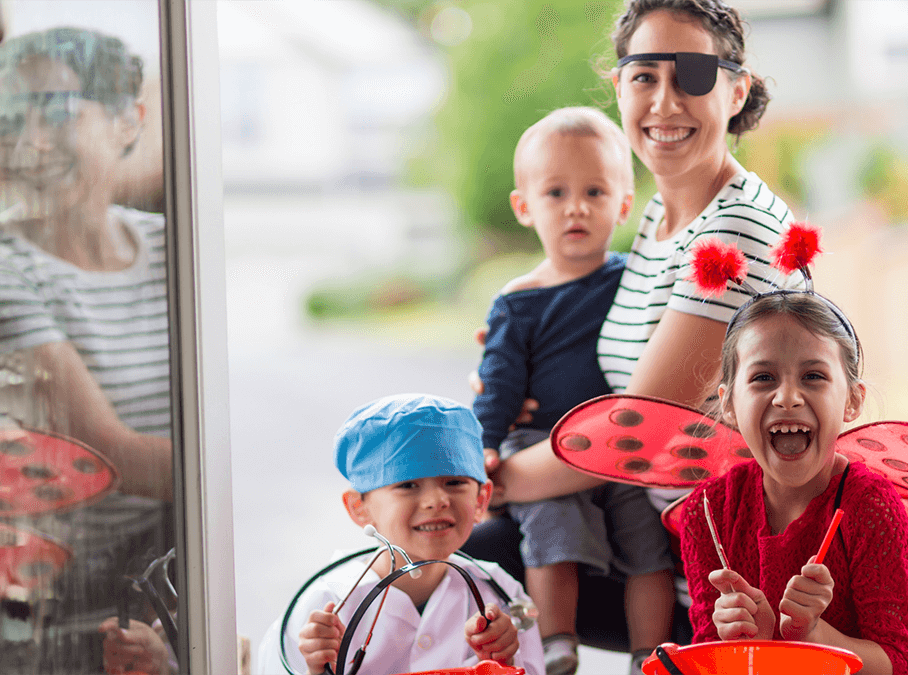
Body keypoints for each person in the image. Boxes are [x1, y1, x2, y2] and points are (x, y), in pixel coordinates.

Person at [465, 0, 801, 651]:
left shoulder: (733, 230)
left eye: (694, 75)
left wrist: (485, 482)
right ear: (619, 88)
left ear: (736, 90)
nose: (665, 101)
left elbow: (637, 431)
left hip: (717, 576)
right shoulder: (661, 216)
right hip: (644, 531)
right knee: (444, 565)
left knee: (456, 554)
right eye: (645, 76)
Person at [0, 27, 172, 673]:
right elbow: (109, 455)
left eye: (54, 110)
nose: (28, 141)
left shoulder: (171, 248)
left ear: (128, 119)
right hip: (44, 616)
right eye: (2, 121)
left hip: (167, 593)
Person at [472, 106, 674, 675]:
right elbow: (497, 386)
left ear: (624, 204)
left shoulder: (638, 279)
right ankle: (557, 643)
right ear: (524, 207)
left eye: (594, 191)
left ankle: (650, 654)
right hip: (543, 441)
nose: (576, 207)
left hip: (624, 448)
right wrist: (484, 445)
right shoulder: (519, 301)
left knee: (648, 549)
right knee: (550, 527)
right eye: (556, 193)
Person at [679, 286, 908, 674]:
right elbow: (706, 662)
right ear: (728, 403)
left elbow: (902, 665)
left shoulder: (869, 507)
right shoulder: (708, 512)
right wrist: (746, 642)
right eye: (763, 377)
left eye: (813, 376)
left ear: (852, 400)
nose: (788, 397)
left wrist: (812, 635)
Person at [256, 394, 545, 675]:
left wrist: (504, 660)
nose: (437, 501)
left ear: (481, 501)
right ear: (359, 508)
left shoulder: (503, 596)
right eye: (407, 485)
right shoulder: (322, 607)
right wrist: (315, 670)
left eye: (455, 482)